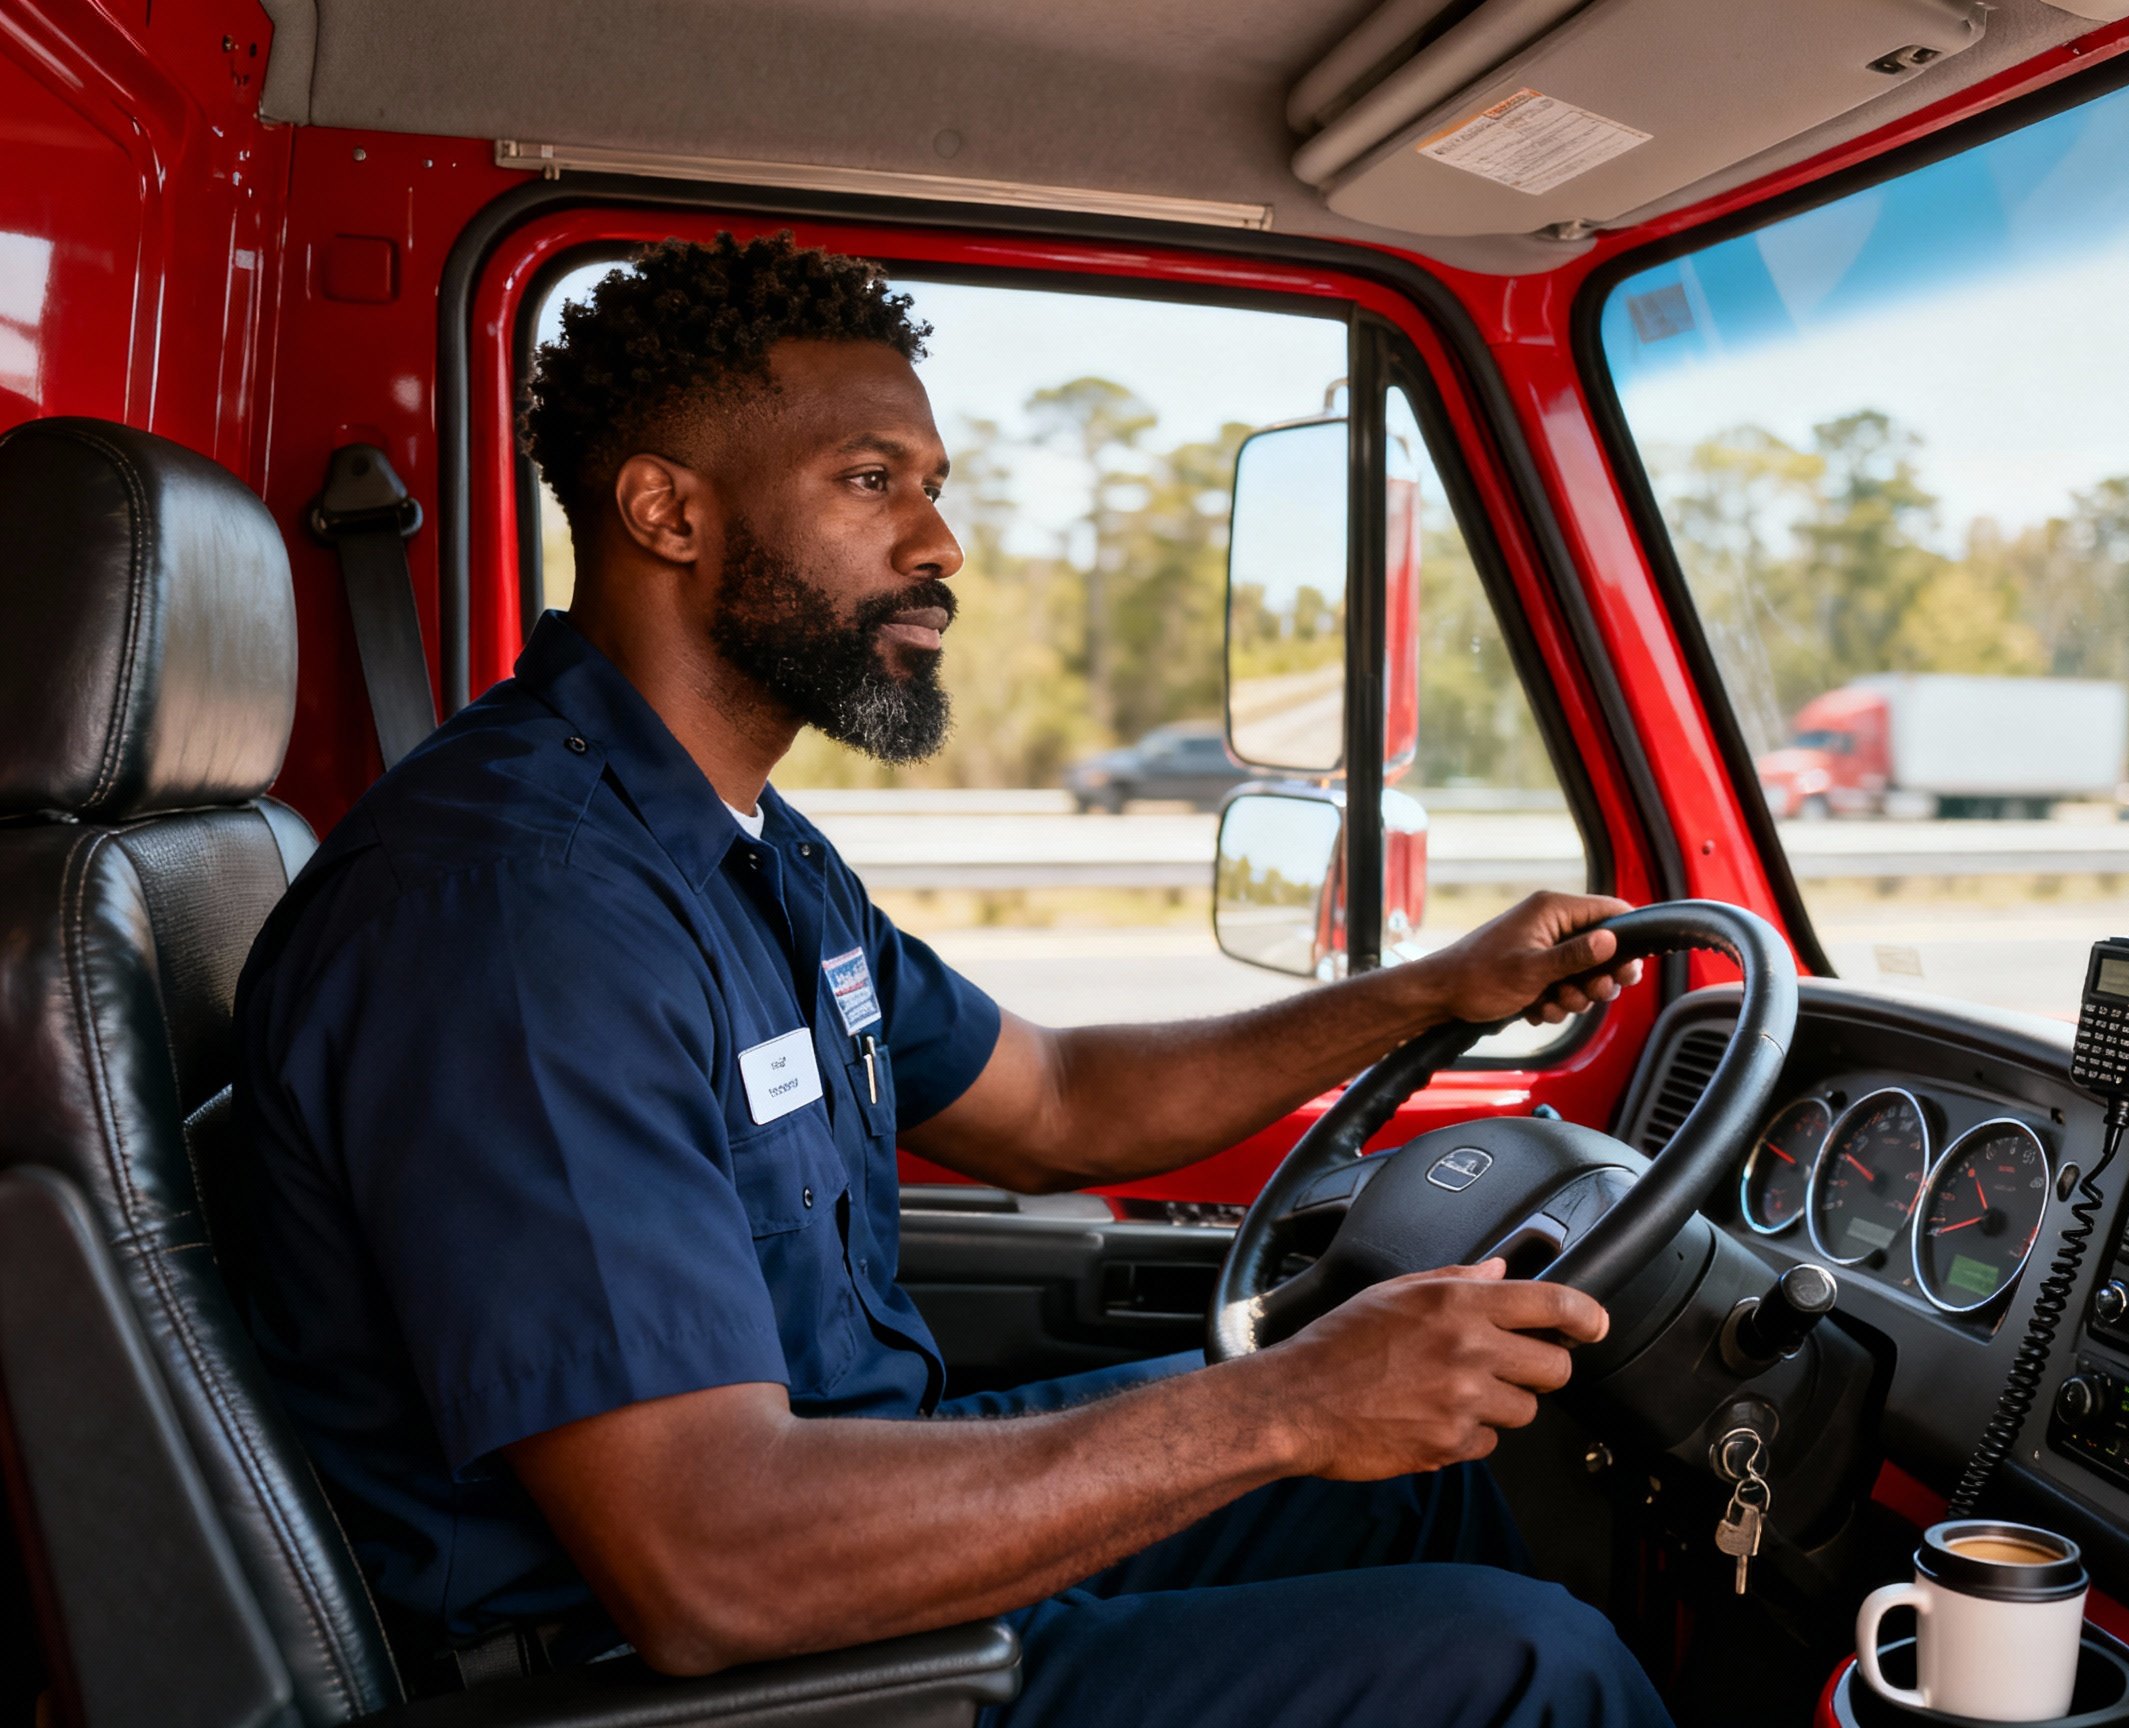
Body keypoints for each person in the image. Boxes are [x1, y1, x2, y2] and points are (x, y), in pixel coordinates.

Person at [236, 231, 1672, 1726]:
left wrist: (1435, 990)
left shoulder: (741, 848)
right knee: (1529, 1667)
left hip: (849, 1545)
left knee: (1423, 1494)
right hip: (702, 1672)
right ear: (667, 510)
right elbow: (709, 1563)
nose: (941, 544)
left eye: (933, 485)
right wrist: (1289, 1405)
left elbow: (1056, 1101)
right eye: (874, 482)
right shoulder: (516, 923)